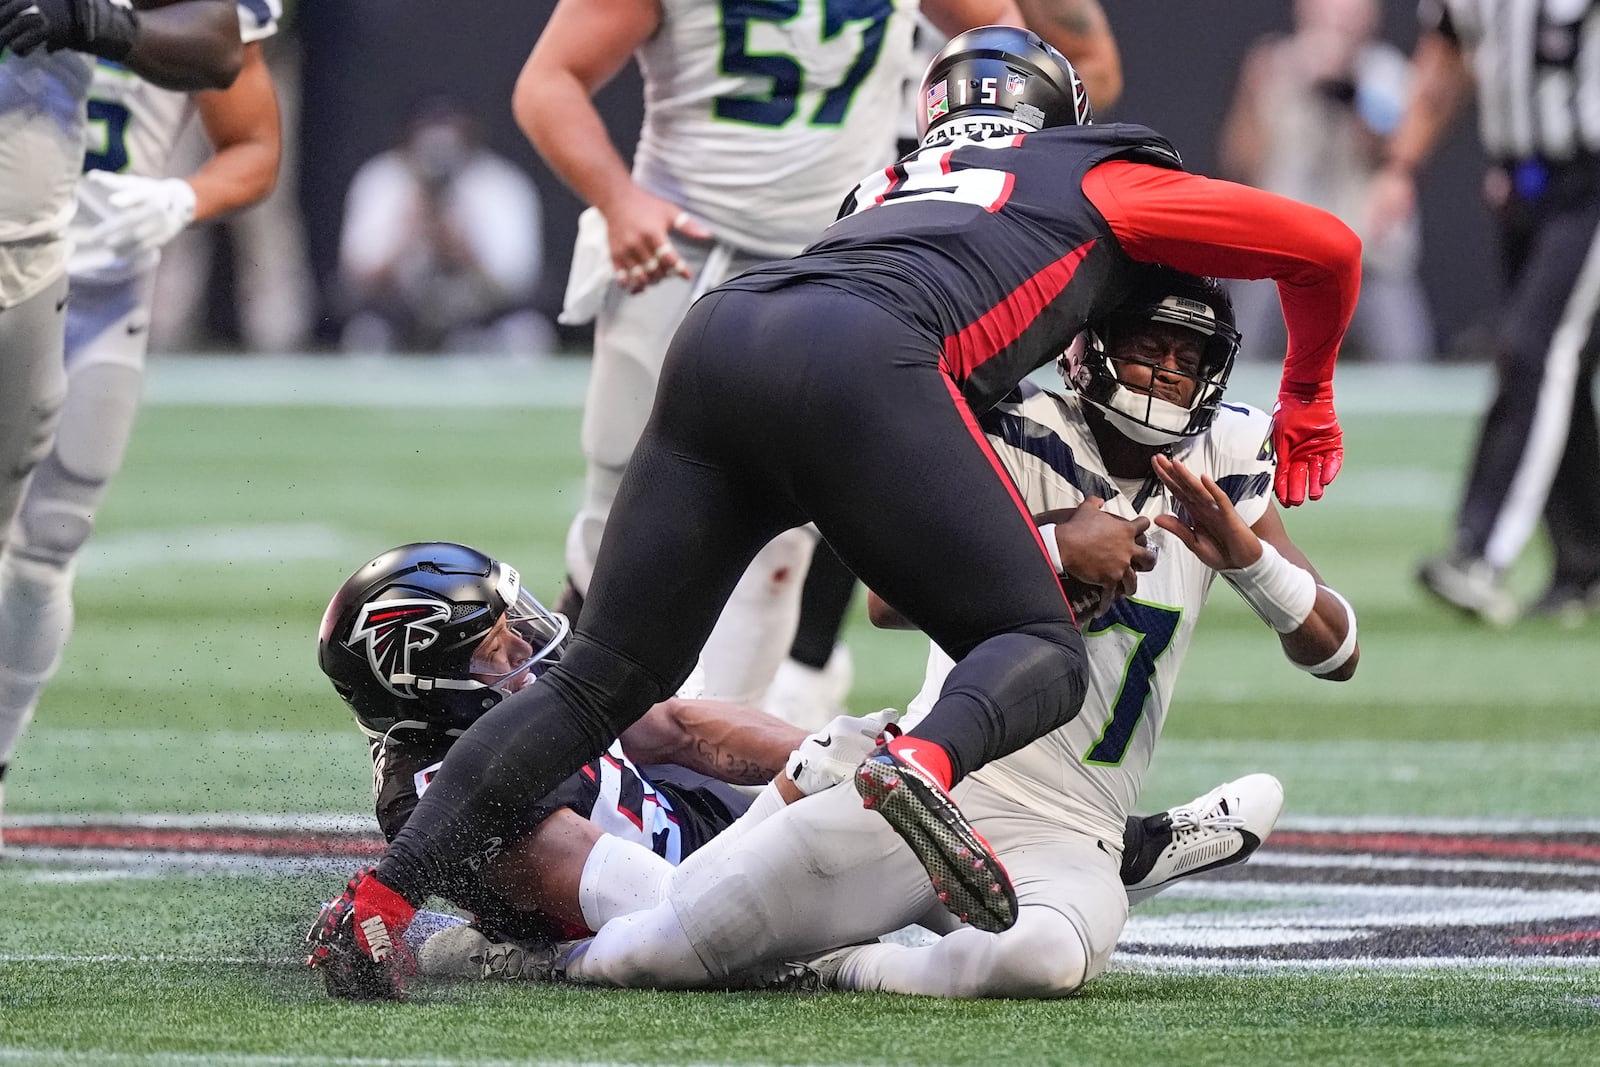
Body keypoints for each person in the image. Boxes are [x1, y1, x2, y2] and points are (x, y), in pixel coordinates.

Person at [322, 26, 1359, 996]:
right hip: (868, 358)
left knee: (598, 675)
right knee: (1037, 646)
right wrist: (1308, 394)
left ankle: (374, 902)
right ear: (1062, 116)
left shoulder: (892, 177)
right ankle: (914, 764)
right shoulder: (1098, 172)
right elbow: (1324, 247)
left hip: (724, 329)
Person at [501, 266, 1357, 999]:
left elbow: (1337, 649)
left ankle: (841, 968)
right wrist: (1054, 547)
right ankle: (512, 958)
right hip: (927, 788)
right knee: (669, 946)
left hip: (1069, 827)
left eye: (1187, 358)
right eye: (1147, 346)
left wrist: (1246, 558)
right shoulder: (1021, 428)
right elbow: (885, 598)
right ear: (1091, 345)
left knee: (1042, 960)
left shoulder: (1229, 454)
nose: (1167, 373)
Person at [305, 539, 1286, 998]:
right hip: (685, 920)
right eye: (490, 648)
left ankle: (1096, 850)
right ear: (422, 680)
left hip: (726, 845)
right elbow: (666, 901)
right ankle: (879, 953)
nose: (521, 648)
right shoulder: (445, 799)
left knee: (907, 768)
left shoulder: (509, 714)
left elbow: (677, 726)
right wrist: (795, 795)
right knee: (1008, 936)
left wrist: (825, 751)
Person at [520, 0, 1124, 711]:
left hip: (845, 253)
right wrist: (618, 201)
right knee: (618, 521)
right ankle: (580, 730)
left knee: (785, 537)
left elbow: (1021, 60)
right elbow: (548, 81)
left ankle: (706, 766)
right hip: (680, 248)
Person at [766, 0, 1124, 731]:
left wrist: (999, 124)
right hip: (824, 174)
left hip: (952, 189)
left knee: (888, 410)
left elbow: (1096, 74)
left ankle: (809, 656)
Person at [0, 0, 245, 840]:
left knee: (47, 542)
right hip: (25, 248)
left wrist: (180, 195)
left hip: (96, 287)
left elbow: (234, 85)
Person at [1372, 1, 1600, 625]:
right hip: (1526, 185)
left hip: (1592, 182)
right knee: (1561, 375)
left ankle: (1480, 554)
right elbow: (1444, 61)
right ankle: (1586, 566)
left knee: (1536, 353)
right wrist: (1400, 167)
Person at [1218, 0, 1433, 365]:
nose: (1338, 17)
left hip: (1368, 255)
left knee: (1408, 369)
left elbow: (1394, 150)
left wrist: (1346, 86)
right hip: (1283, 254)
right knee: (1237, 360)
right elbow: (1240, 160)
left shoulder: (1388, 71)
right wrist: (1253, 92)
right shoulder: (1278, 66)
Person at [337, 99, 550, 356]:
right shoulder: (382, 179)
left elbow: (518, 280)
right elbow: (355, 278)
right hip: (403, 313)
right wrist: (406, 235)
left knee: (527, 335)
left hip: (477, 313)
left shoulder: (500, 183)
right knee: (366, 336)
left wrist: (464, 249)